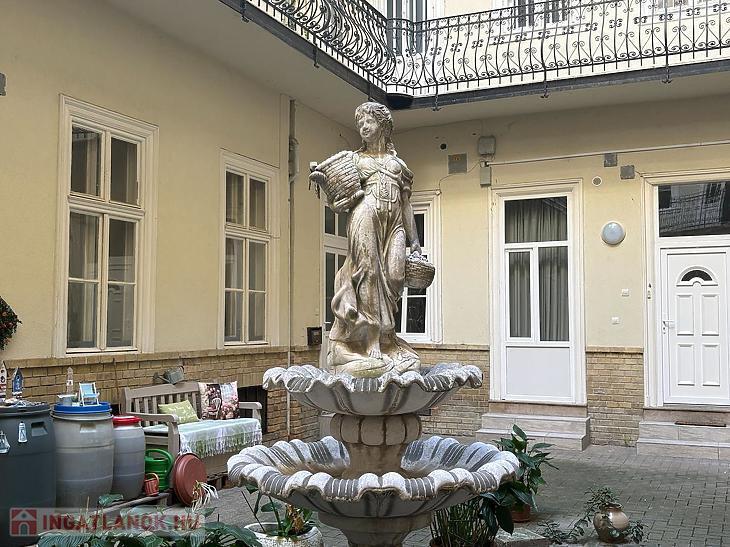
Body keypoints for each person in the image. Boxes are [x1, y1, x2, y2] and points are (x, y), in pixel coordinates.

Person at [310, 102, 424, 377]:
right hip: (365, 217)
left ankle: (389, 337)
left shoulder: (398, 165)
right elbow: (339, 199)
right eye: (360, 123)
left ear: (382, 126)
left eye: (369, 122)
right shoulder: (355, 161)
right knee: (368, 273)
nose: (363, 127)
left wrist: (415, 241)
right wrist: (327, 188)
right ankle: (373, 337)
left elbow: (406, 205)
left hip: (394, 225)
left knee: (396, 275)